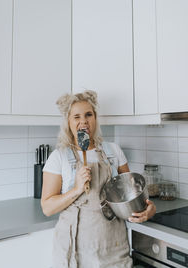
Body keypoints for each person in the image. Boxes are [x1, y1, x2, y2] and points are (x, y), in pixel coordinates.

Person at [41, 90, 156, 268]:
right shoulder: (59, 157)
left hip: (113, 247)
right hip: (76, 251)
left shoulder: (113, 151)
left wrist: (149, 209)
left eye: (88, 114)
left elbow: (132, 197)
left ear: (95, 118)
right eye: (76, 117)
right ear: (68, 122)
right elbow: (47, 207)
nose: (83, 121)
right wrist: (76, 189)